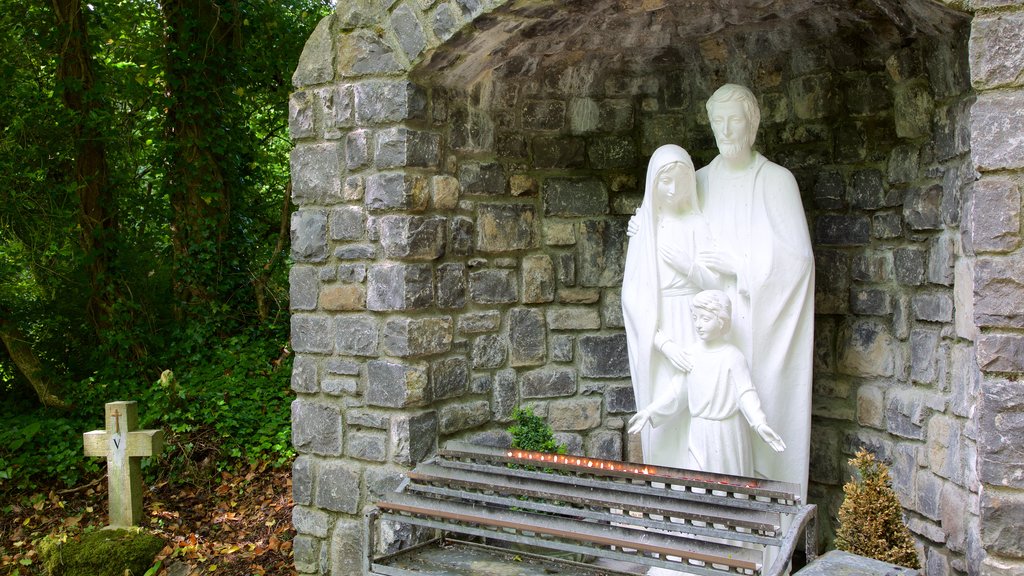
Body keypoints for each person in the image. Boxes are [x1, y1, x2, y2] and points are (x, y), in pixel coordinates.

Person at [694, 84, 814, 497]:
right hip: (705, 329)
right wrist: (642, 234)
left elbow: (798, 263)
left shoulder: (777, 181)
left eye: (735, 120)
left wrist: (740, 267)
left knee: (756, 422)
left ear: (753, 123)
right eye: (718, 121)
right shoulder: (699, 182)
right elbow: (668, 228)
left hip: (758, 327)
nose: (726, 130)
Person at [622, 144, 724, 467]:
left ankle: (699, 487)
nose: (672, 189)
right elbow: (634, 298)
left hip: (696, 321)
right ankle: (668, 488)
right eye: (664, 182)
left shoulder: (697, 224)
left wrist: (687, 265)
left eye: (679, 180)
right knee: (665, 408)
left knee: (696, 404)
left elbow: (716, 283)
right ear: (654, 184)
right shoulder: (645, 229)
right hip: (661, 327)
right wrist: (664, 344)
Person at [627, 290, 785, 477]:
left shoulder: (732, 357)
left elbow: (745, 393)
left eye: (705, 319)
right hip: (700, 432)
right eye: (695, 318)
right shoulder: (692, 355)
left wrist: (759, 423)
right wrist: (649, 412)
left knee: (730, 485)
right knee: (700, 482)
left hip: (728, 433)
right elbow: (677, 393)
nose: (698, 325)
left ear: (721, 321)